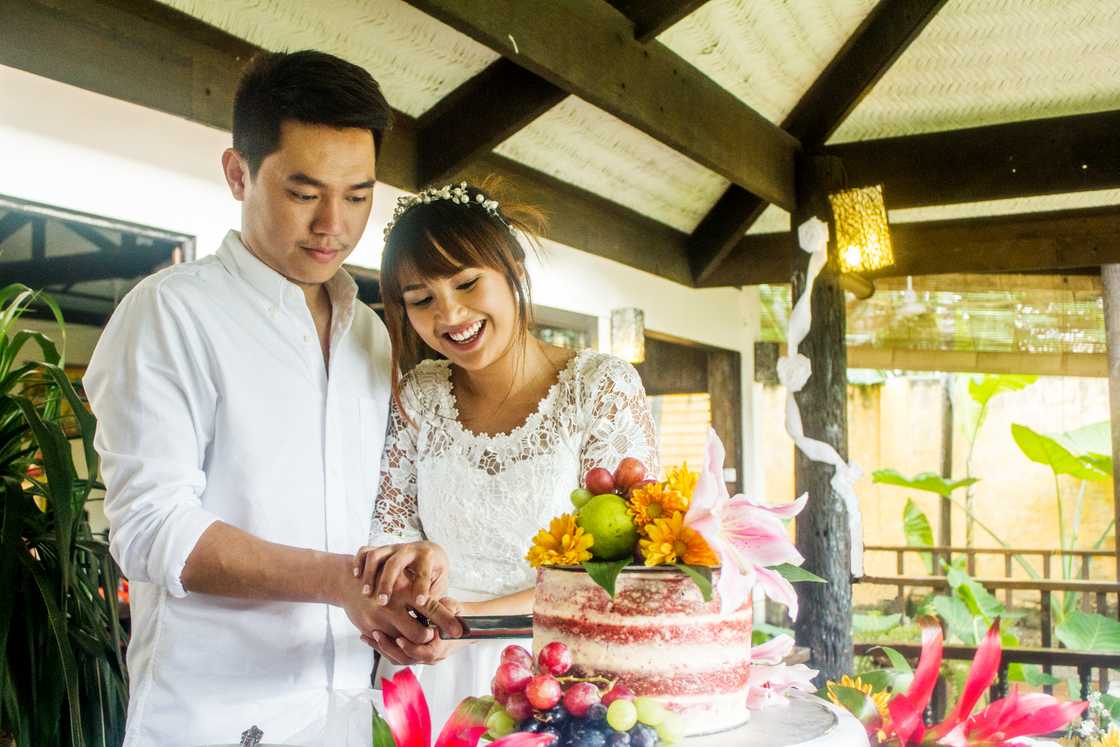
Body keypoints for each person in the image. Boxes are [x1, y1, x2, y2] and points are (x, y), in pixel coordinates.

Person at [84, 50, 458, 746]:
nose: (333, 225)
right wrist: (340, 580)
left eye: (357, 195)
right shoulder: (170, 313)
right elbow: (149, 525)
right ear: (238, 174)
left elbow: (357, 507)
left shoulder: (371, 335)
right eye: (303, 191)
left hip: (349, 707)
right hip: (214, 719)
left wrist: (399, 577)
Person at [354, 181, 659, 724]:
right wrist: (413, 607)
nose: (449, 315)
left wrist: (472, 619)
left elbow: (623, 567)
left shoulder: (599, 387)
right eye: (422, 299)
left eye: (467, 283)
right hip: (427, 674)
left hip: (560, 678)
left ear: (515, 271)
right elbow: (391, 530)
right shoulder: (418, 392)